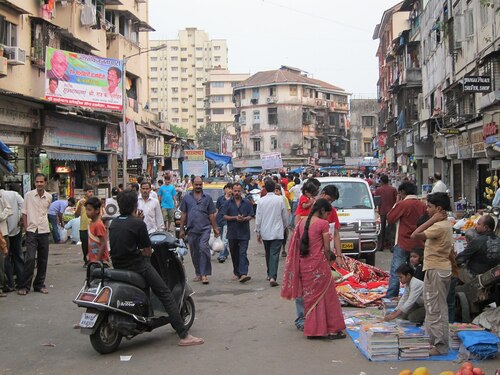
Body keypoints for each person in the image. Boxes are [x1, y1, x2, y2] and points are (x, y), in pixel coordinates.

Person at [109, 190, 204, 347]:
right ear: (135, 205)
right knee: (165, 293)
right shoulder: (138, 223)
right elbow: (147, 251)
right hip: (138, 266)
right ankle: (183, 334)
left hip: (118, 266)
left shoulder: (114, 223)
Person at [281, 199, 346, 340]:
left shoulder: (301, 222)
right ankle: (331, 330)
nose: (328, 217)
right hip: (319, 265)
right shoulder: (323, 224)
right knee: (327, 298)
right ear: (322, 211)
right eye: (328, 214)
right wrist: (330, 260)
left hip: (304, 265)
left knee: (310, 298)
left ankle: (313, 330)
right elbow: (327, 248)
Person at [294, 184, 343, 331]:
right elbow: (328, 246)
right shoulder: (321, 221)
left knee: (307, 292)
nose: (330, 205)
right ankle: (315, 323)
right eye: (329, 199)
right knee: (321, 294)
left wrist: (339, 255)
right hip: (318, 261)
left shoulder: (311, 217)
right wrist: (330, 257)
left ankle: (308, 322)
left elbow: (336, 233)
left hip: (305, 259)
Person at [411, 192, 453, 356]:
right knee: (433, 306)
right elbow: (422, 240)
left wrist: (433, 219)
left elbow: (415, 235)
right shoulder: (444, 225)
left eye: (430, 207)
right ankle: (436, 341)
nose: (427, 209)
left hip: (437, 269)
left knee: (436, 308)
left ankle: (441, 345)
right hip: (436, 268)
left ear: (439, 209)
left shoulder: (439, 225)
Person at [385, 181, 427, 298]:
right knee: (415, 272)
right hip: (418, 243)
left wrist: (398, 201)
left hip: (403, 242)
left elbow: (390, 218)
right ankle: (413, 295)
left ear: (402, 192)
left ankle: (391, 296)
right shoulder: (422, 205)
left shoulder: (403, 204)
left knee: (396, 271)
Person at [179, 176, 219, 285]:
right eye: (196, 184)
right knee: (194, 252)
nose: (198, 186)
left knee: (203, 248)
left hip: (205, 228)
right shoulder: (187, 198)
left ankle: (205, 274)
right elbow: (183, 214)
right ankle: (198, 273)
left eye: (200, 184)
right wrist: (182, 229)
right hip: (191, 229)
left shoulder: (208, 198)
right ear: (192, 184)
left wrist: (215, 228)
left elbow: (211, 214)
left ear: (202, 184)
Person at [17, 174, 52, 296]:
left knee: (43, 259)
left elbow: (46, 212)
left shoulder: (49, 197)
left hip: (44, 230)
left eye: (41, 181)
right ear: (34, 183)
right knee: (30, 258)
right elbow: (24, 213)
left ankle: (39, 285)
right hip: (32, 231)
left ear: (45, 183)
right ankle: (24, 286)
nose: (39, 184)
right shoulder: (28, 196)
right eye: (37, 182)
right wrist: (27, 229)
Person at [255, 179, 288, 287]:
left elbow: (258, 218)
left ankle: (270, 274)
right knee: (274, 254)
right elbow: (284, 216)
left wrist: (258, 232)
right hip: (277, 231)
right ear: (274, 188)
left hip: (265, 231)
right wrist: (285, 226)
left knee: (268, 253)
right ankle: (272, 276)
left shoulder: (261, 201)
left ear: (265, 188)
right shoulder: (280, 200)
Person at [221, 183, 254, 283]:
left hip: (244, 232)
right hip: (232, 232)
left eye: (239, 191)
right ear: (232, 191)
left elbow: (251, 215)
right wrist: (235, 218)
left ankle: (243, 273)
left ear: (242, 191)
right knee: (234, 253)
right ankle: (237, 272)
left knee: (242, 252)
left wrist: (244, 218)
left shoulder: (247, 202)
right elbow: (224, 216)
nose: (237, 193)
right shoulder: (227, 203)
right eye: (235, 191)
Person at [455, 215, 500, 283]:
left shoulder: (478, 241)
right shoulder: (498, 239)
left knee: (452, 267)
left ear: (486, 228)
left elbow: (459, 259)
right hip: (493, 275)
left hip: (476, 276)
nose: (476, 226)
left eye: (478, 224)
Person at [1, 187, 24, 292]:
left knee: (6, 259)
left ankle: (10, 284)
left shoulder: (3, 196)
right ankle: (21, 282)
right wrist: (20, 218)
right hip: (15, 229)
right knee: (18, 255)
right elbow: (24, 206)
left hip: (4, 232)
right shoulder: (14, 195)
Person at [374, 174, 397, 251]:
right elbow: (396, 201)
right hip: (391, 211)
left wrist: (377, 210)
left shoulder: (378, 190)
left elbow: (377, 202)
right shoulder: (393, 189)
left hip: (382, 211)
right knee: (392, 229)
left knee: (382, 229)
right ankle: (392, 246)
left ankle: (380, 246)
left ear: (381, 181)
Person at [85, 197, 109, 264]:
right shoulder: (91, 223)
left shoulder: (98, 225)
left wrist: (97, 260)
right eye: (86, 210)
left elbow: (103, 243)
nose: (87, 212)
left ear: (97, 210)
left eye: (89, 210)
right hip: (93, 259)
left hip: (100, 261)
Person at [75, 187, 94, 266]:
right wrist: (79, 206)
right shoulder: (81, 202)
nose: (91, 193)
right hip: (83, 227)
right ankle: (86, 260)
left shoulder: (95, 202)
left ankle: (93, 260)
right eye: (89, 191)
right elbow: (76, 215)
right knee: (85, 245)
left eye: (92, 192)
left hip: (93, 227)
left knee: (93, 245)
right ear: (85, 192)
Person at [215, 183, 233, 263]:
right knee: (219, 238)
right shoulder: (220, 199)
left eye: (231, 189)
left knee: (224, 240)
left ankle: (221, 255)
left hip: (228, 222)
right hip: (219, 221)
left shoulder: (233, 199)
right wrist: (213, 222)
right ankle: (225, 252)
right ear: (225, 189)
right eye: (229, 188)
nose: (230, 190)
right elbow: (216, 210)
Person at [0, 189, 12, 297]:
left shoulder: (2, 195)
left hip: (2, 233)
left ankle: (3, 286)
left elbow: (9, 209)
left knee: (2, 261)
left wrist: (1, 216)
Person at [275, 184, 290, 257]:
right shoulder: (272, 199)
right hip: (275, 220)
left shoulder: (284, 198)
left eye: (277, 191)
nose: (275, 192)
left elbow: (288, 208)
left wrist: (287, 219)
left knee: (284, 235)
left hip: (283, 220)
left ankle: (283, 249)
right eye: (274, 191)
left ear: (280, 192)